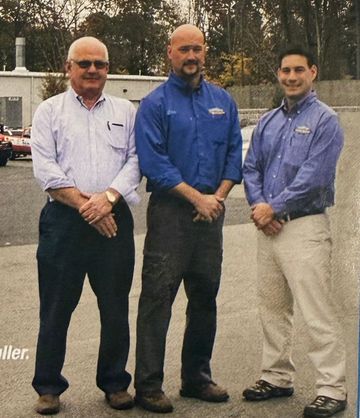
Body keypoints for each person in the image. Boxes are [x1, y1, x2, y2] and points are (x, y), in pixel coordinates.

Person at [133, 24, 243, 414]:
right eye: (184, 50)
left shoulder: (223, 102)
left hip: (211, 214)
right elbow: (153, 162)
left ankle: (196, 377)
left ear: (205, 52)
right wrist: (196, 198)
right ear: (170, 53)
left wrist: (217, 197)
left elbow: (233, 154)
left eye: (197, 49)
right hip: (171, 215)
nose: (191, 56)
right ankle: (148, 386)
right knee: (157, 299)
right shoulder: (154, 104)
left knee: (205, 299)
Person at [31, 36, 140, 415]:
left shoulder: (127, 111)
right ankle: (48, 387)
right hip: (64, 220)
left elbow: (135, 161)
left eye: (100, 64)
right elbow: (45, 168)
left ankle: (114, 383)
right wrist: (87, 205)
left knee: (115, 307)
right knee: (56, 307)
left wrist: (107, 199)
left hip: (114, 218)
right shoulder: (49, 111)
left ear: (108, 69)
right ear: (68, 68)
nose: (93, 70)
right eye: (84, 63)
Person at [242, 46, 347, 418]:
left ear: (313, 72)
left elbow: (314, 177)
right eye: (285, 70)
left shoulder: (325, 121)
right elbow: (251, 167)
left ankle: (332, 388)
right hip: (267, 227)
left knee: (316, 309)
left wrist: (275, 207)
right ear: (278, 74)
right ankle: (277, 376)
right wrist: (260, 209)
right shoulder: (268, 122)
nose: (290, 77)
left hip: (304, 227)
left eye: (298, 70)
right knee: (272, 306)